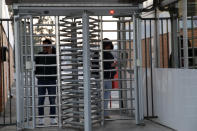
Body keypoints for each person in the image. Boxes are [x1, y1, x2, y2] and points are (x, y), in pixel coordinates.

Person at [35, 39, 57, 125]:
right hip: (41, 80)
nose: (44, 48)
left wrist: (51, 52)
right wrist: (36, 74)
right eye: (43, 46)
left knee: (52, 99)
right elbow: (35, 64)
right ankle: (41, 119)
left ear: (50, 46)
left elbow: (57, 64)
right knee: (41, 100)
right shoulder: (39, 55)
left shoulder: (54, 55)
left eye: (46, 46)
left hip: (51, 80)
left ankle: (53, 118)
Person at [103, 38, 116, 118]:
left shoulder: (96, 53)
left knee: (103, 97)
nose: (109, 48)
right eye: (108, 46)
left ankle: (103, 114)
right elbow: (100, 66)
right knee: (104, 97)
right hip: (104, 78)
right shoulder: (108, 54)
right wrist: (111, 66)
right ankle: (103, 114)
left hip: (106, 78)